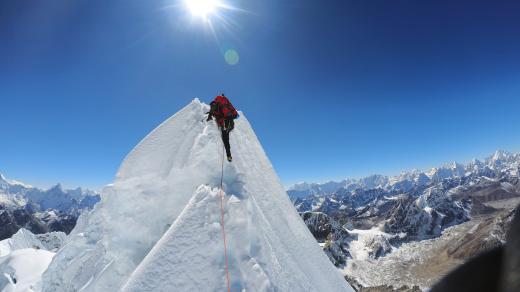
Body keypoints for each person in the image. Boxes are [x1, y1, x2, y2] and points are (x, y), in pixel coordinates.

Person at [206, 93, 238, 162]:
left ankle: (229, 155)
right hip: (230, 122)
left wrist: (209, 115)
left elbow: (213, 110)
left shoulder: (216, 104)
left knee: (225, 139)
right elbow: (235, 115)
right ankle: (229, 156)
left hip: (223, 123)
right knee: (226, 140)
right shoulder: (226, 104)